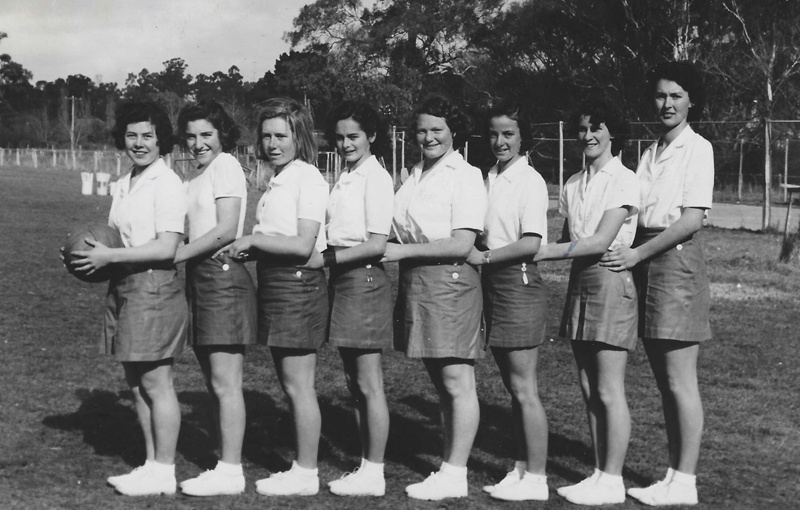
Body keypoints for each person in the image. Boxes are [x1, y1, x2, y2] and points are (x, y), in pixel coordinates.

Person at [601, 61, 713, 507]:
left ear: (692, 102)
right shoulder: (650, 151)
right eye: (661, 95)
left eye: (676, 96)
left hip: (674, 262)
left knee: (680, 378)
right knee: (666, 381)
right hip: (645, 259)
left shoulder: (697, 148)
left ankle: (684, 482)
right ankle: (672, 475)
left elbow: (689, 221)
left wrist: (636, 255)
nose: (667, 104)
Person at [69, 101, 188, 496]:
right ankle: (151, 465)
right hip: (124, 285)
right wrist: (80, 254)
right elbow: (113, 238)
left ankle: (165, 471)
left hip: (153, 286)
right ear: (123, 138)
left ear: (161, 140)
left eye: (148, 136)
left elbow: (167, 247)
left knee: (157, 383)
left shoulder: (166, 183)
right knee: (136, 384)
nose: (139, 143)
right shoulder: (126, 182)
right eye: (132, 135)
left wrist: (108, 256)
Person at [535, 96, 639, 506]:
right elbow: (567, 238)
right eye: (582, 128)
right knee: (587, 384)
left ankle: (612, 480)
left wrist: (539, 252)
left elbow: (598, 241)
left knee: (609, 387)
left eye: (597, 127)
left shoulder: (624, 178)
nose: (588, 135)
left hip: (611, 279)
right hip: (580, 282)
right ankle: (599, 473)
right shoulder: (573, 183)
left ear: (613, 133)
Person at [383, 95, 487, 501]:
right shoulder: (415, 174)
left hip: (450, 283)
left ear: (453, 132)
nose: (428, 137)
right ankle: (449, 465)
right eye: (422, 130)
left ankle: (455, 472)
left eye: (437, 129)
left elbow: (462, 243)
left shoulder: (465, 174)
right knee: (441, 383)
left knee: (457, 380)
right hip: (419, 283)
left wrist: (401, 252)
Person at [225, 97, 329, 497]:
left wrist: (253, 239)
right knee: (291, 382)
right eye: (266, 136)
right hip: (277, 283)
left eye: (281, 136)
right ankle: (301, 467)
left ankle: (305, 472)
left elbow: (304, 244)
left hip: (297, 285)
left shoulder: (308, 178)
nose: (272, 144)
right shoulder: (278, 178)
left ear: (298, 137)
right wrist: (256, 247)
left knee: (299, 384)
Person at [466, 100, 550, 502]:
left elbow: (531, 242)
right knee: (512, 387)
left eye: (509, 134)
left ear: (523, 137)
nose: (500, 141)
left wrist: (483, 256)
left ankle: (536, 477)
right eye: (494, 134)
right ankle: (521, 468)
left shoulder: (530, 180)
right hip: (492, 284)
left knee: (523, 387)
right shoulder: (490, 176)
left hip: (517, 283)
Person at [172, 100, 257, 496]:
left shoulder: (226, 166)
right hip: (201, 279)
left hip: (222, 280)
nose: (198, 143)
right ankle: (226, 462)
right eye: (190, 136)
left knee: (226, 383)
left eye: (206, 134)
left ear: (222, 134)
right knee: (215, 381)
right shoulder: (194, 176)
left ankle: (231, 470)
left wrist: (177, 255)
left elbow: (225, 230)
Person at [319, 101, 394, 497]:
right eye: (341, 137)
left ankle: (375, 470)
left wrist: (326, 258)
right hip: (344, 279)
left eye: (354, 136)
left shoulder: (375, 177)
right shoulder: (346, 174)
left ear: (372, 136)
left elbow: (377, 244)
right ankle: (366, 464)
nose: (346, 143)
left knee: (368, 383)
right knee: (354, 380)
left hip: (363, 279)